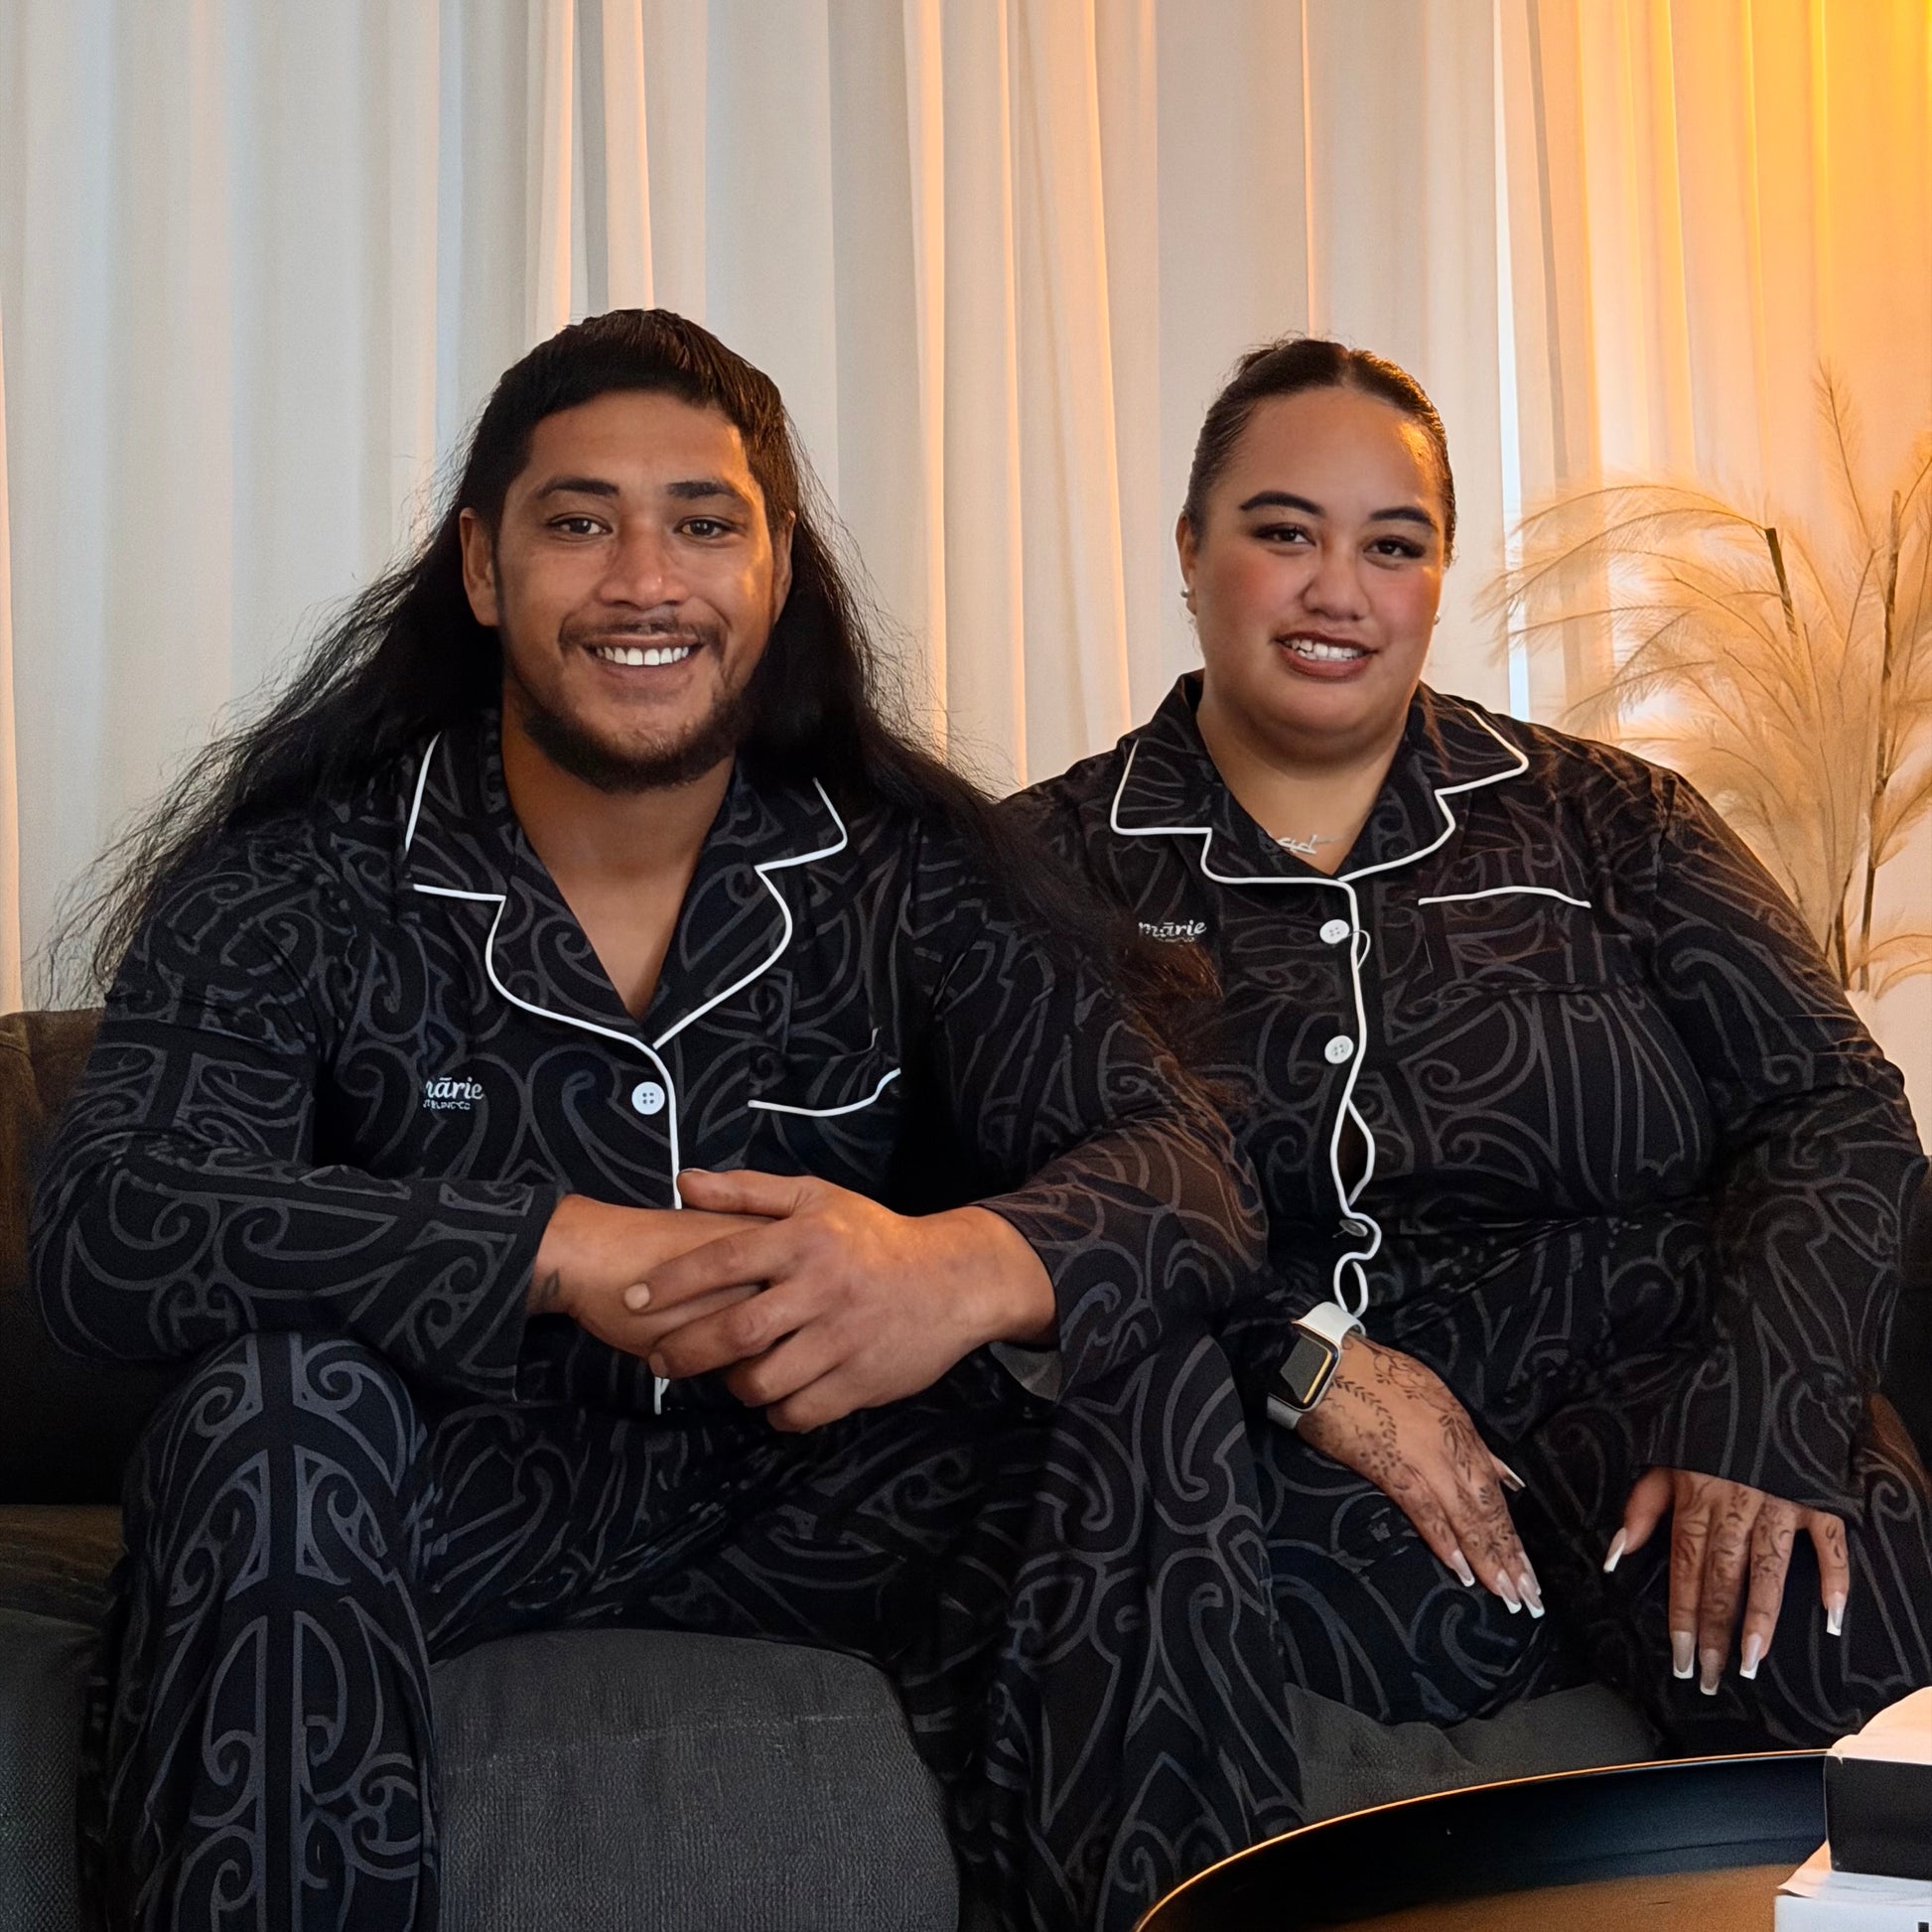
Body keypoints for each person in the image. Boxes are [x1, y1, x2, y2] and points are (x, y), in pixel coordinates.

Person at [31, 310, 1297, 1932]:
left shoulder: (907, 869)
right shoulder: (297, 877)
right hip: (431, 1489)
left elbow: (1185, 1169)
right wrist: (553, 1245)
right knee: (268, 1410)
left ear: (776, 572)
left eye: (703, 525)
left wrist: (950, 1269)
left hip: (819, 1488)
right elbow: (115, 1221)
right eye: (580, 523)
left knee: (1152, 1384)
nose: (645, 581)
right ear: (482, 567)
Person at [1012, 335, 1932, 1760]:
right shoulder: (1041, 867)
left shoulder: (1611, 821)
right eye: (1282, 533)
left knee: (1823, 1617)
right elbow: (1011, 1197)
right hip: (1268, 1431)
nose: (1337, 590)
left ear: (1437, 575)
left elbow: (1831, 1106)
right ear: (1189, 549)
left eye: (1393, 545)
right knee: (1160, 1673)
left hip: (1649, 1387)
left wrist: (1764, 1411)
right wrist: (1301, 1357)